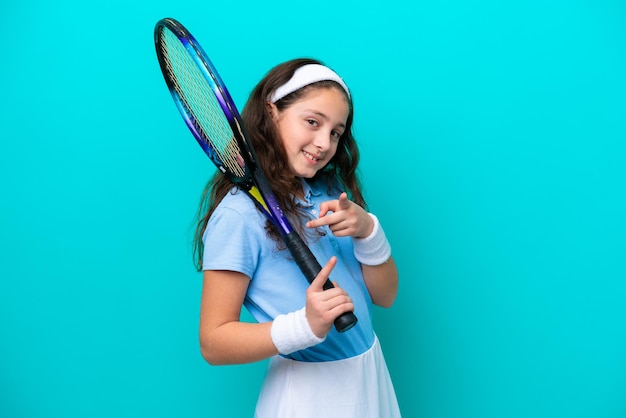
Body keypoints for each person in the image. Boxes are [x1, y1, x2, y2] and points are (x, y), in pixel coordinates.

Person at [194, 57, 401, 417]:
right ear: (272, 112)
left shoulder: (328, 190)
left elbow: (386, 296)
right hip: (308, 397)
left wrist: (369, 231)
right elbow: (213, 342)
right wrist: (304, 326)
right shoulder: (237, 216)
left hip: (369, 374)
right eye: (312, 122)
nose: (324, 143)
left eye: (336, 132)